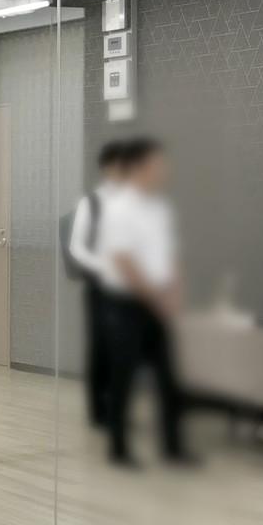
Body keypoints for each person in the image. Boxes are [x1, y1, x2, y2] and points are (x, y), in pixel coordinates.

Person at [98, 137, 190, 467]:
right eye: (157, 164)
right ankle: (119, 448)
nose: (163, 170)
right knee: (124, 376)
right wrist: (155, 297)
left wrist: (175, 291)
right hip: (128, 304)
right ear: (139, 167)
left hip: (159, 303)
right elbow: (124, 260)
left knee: (168, 377)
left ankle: (173, 447)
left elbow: (169, 255)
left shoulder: (160, 207)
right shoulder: (119, 208)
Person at [65, 139, 130, 428]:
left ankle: (118, 407)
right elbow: (76, 246)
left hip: (128, 284)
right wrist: (103, 266)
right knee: (101, 345)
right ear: (106, 168)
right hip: (100, 284)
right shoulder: (90, 203)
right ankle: (98, 409)